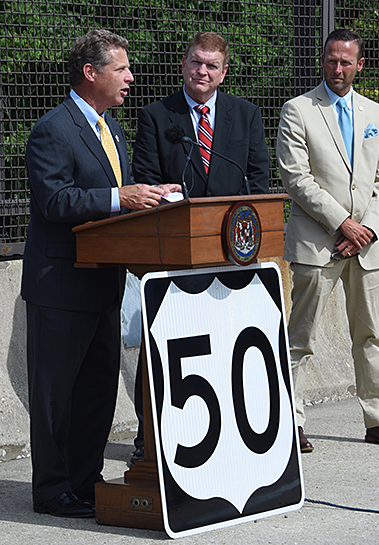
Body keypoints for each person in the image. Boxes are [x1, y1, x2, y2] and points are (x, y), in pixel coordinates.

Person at [22, 29, 180, 518]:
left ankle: (86, 481)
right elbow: (54, 200)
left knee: (95, 392)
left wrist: (152, 198)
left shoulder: (110, 127)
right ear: (91, 73)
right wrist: (121, 196)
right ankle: (51, 489)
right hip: (61, 284)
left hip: (103, 282)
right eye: (121, 69)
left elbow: (114, 198)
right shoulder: (54, 128)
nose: (130, 78)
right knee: (56, 395)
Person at [129, 31, 270, 464]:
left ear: (224, 72)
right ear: (184, 65)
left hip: (231, 257)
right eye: (195, 63)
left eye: (211, 65)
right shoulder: (157, 115)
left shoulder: (245, 115)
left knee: (221, 347)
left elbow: (258, 180)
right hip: (173, 255)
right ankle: (149, 438)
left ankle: (218, 431)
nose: (202, 72)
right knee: (164, 345)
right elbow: (146, 178)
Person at [276, 28, 379, 453]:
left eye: (346, 61)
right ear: (323, 60)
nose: (338, 68)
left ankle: (377, 420)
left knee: (369, 337)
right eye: (332, 60)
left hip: (366, 248)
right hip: (318, 245)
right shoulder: (298, 110)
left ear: (359, 65)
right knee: (301, 337)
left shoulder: (378, 114)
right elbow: (296, 178)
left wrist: (364, 229)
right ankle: (289, 422)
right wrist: (342, 223)